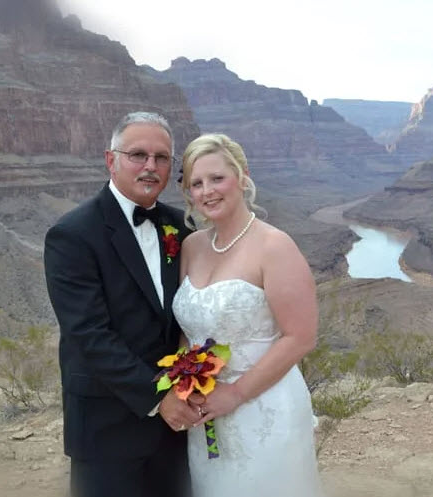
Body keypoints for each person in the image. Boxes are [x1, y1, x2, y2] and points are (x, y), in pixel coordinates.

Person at [44, 112, 199, 497]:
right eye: (138, 155)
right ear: (110, 160)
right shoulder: (72, 235)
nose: (151, 166)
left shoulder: (180, 227)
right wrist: (160, 397)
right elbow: (88, 333)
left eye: (162, 158)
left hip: (175, 431)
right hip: (105, 428)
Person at [173, 133, 323, 496]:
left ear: (242, 177)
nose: (207, 191)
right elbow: (188, 331)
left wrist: (236, 394)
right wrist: (183, 386)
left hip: (264, 408)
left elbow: (301, 337)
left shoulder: (274, 246)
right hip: (205, 413)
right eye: (197, 183)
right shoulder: (192, 247)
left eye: (217, 178)